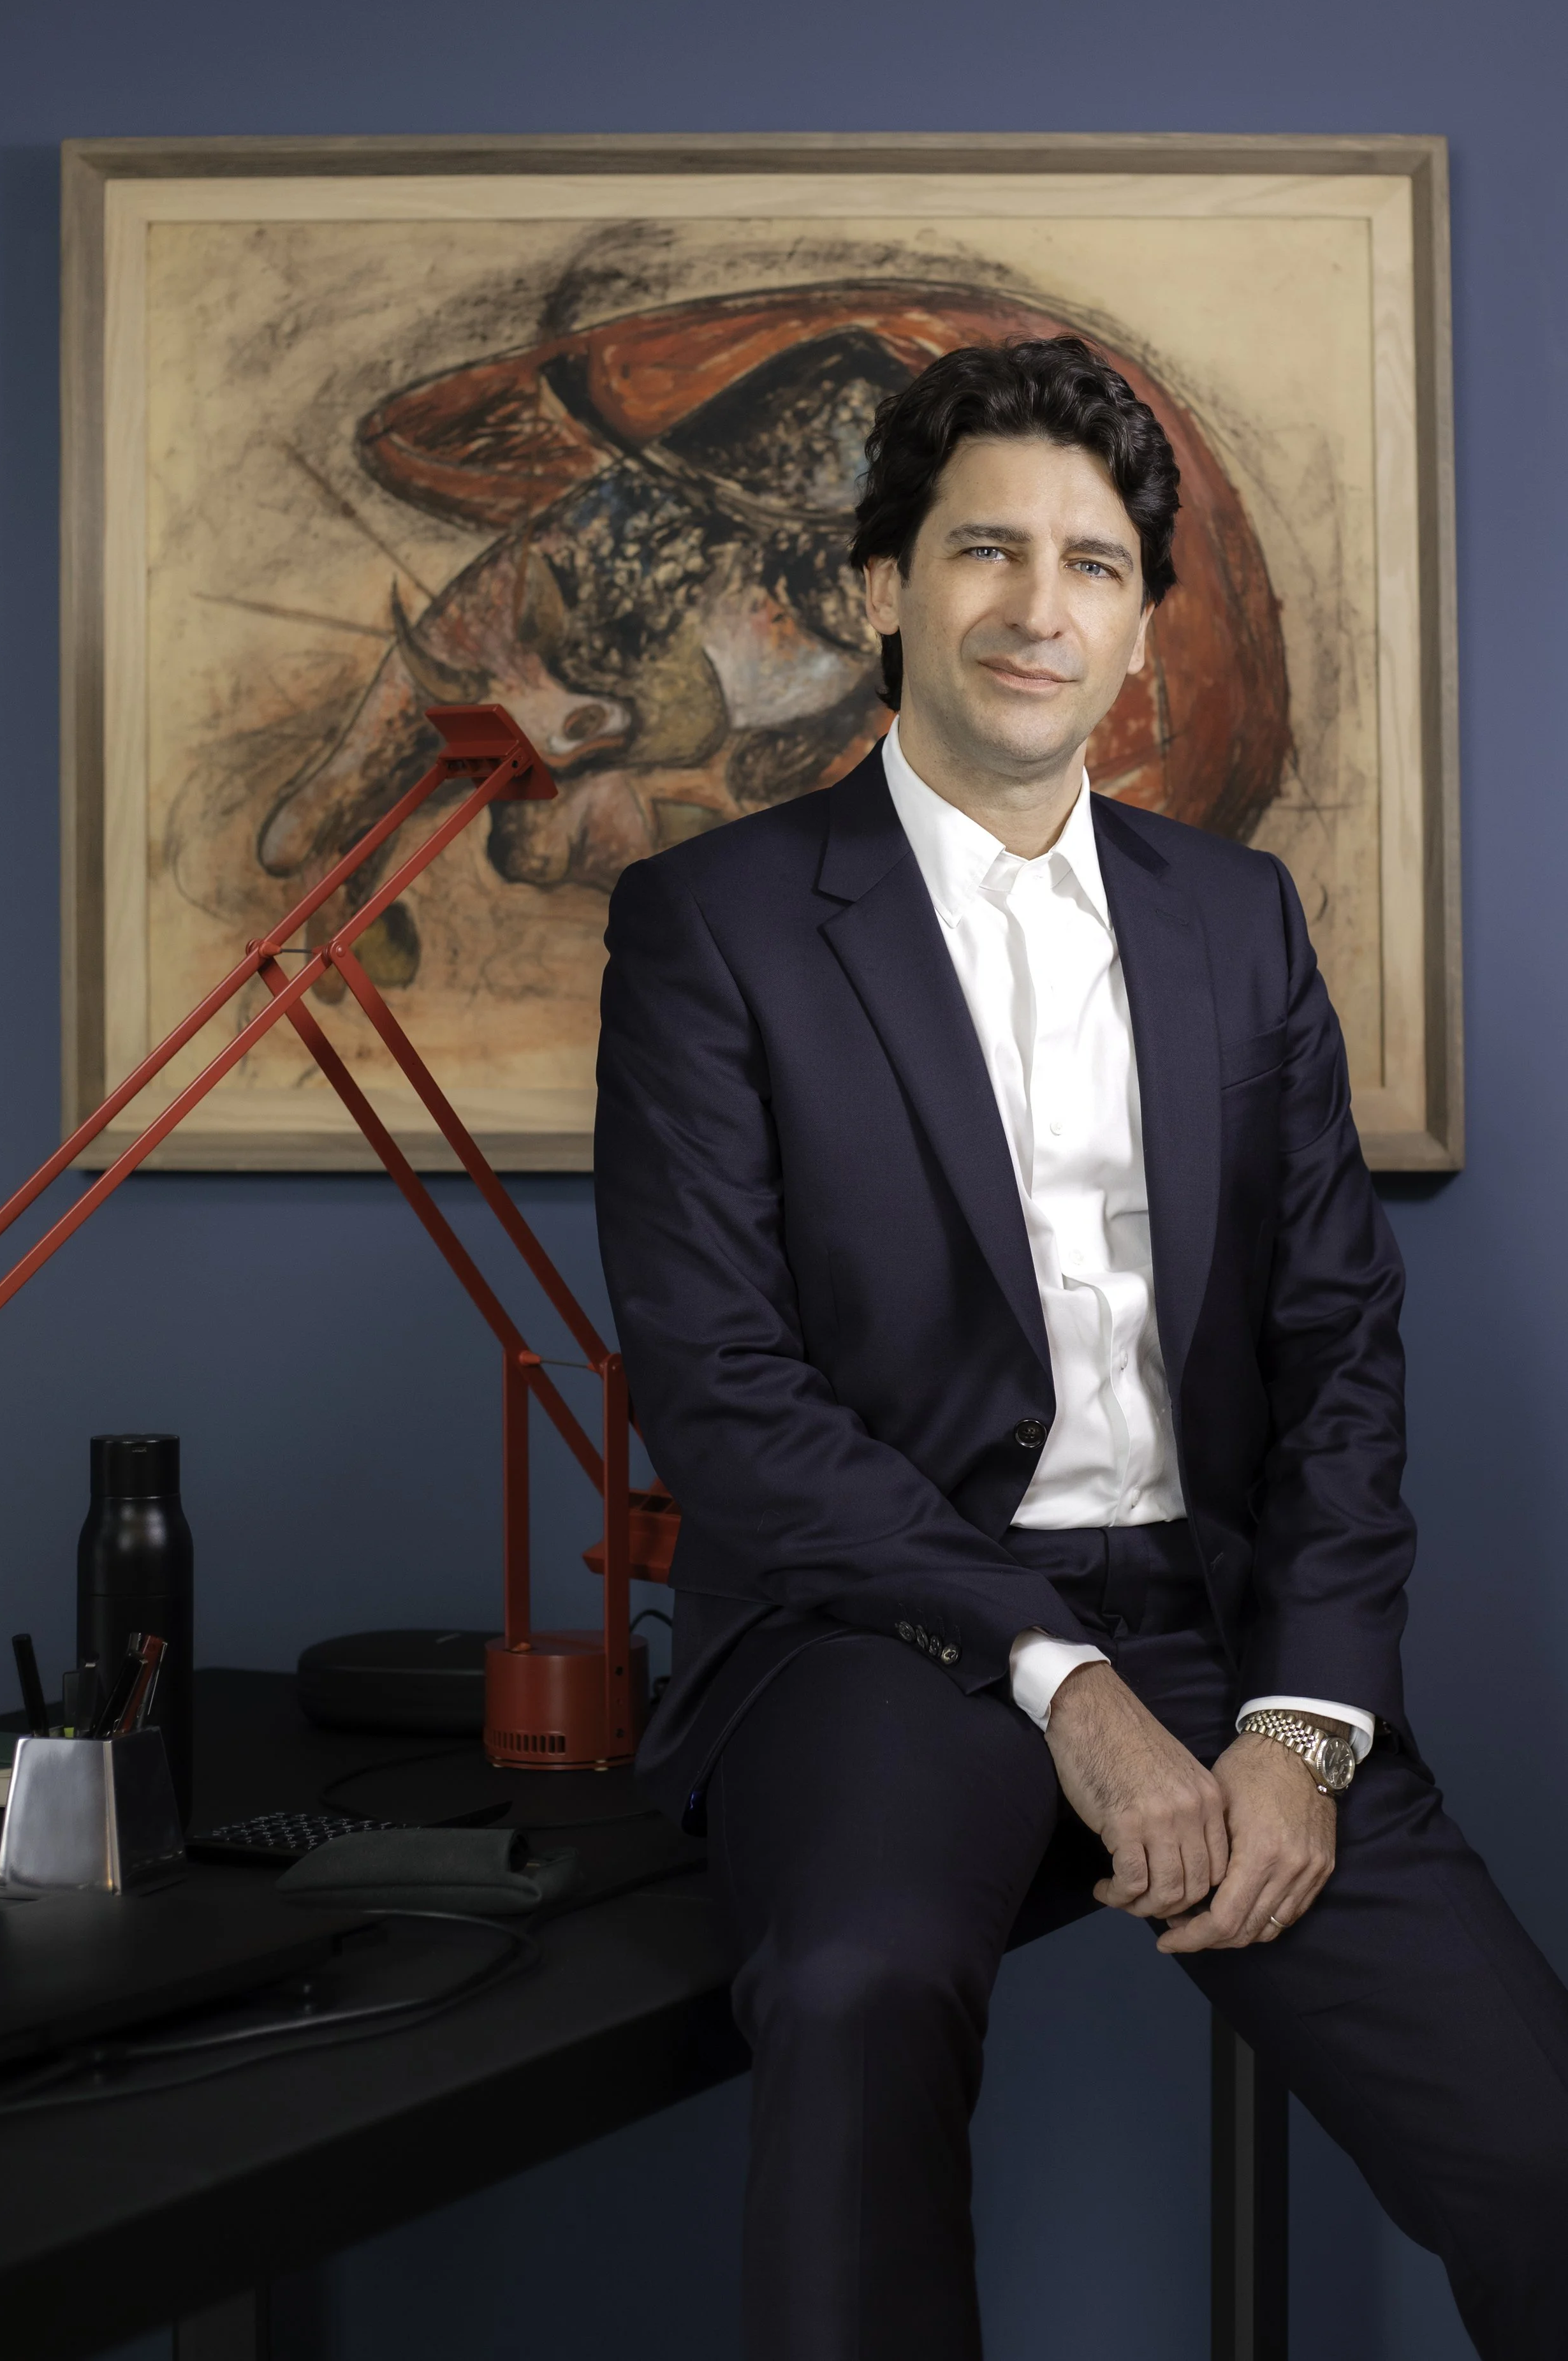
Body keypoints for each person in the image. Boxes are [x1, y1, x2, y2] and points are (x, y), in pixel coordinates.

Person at [593, 336, 1568, 2360]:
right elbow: (724, 1394)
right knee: (856, 1988)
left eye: (1097, 564)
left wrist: (1306, 1721)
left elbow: (1336, 1347)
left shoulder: (1235, 919)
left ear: (1138, 623)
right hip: (888, 1623)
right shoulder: (717, 923)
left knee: (1540, 2148)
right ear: (879, 589)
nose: (1041, 609)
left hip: (1226, 1621)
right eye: (985, 551)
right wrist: (1060, 1673)